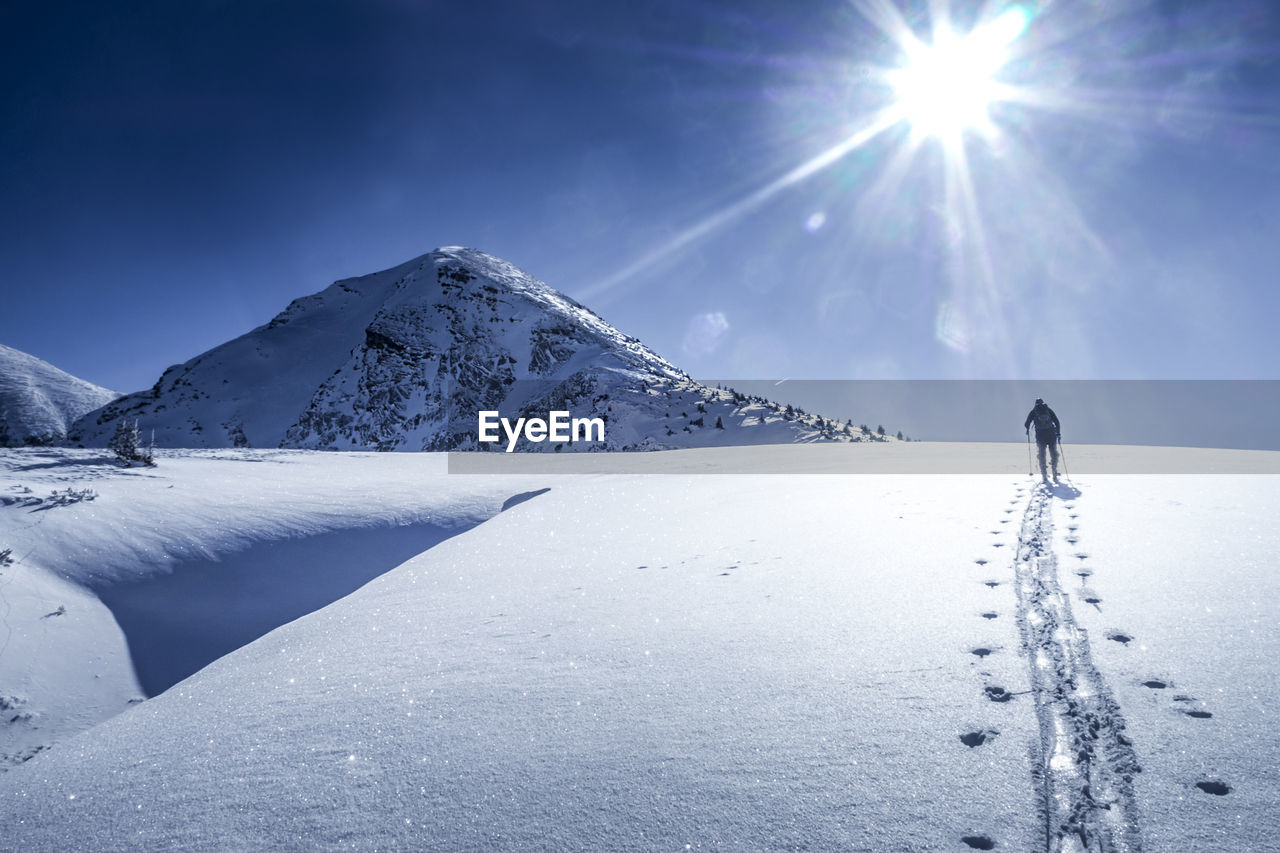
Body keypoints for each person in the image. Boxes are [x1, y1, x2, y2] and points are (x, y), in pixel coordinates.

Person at [1024, 398, 1061, 482]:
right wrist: (1058, 433)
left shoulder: (1033, 411)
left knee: (1042, 454)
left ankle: (1044, 474)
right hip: (1051, 434)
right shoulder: (1048, 410)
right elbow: (1057, 421)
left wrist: (1027, 428)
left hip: (1040, 435)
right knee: (1053, 453)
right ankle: (1054, 471)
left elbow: (1026, 423)